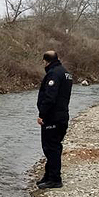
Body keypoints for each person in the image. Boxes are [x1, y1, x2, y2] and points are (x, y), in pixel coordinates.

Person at [36, 51, 73, 189]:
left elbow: (50, 97)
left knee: (51, 148)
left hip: (53, 117)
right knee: (54, 146)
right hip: (62, 115)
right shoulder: (66, 73)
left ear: (46, 61)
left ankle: (55, 179)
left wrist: (42, 115)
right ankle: (48, 175)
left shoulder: (53, 74)